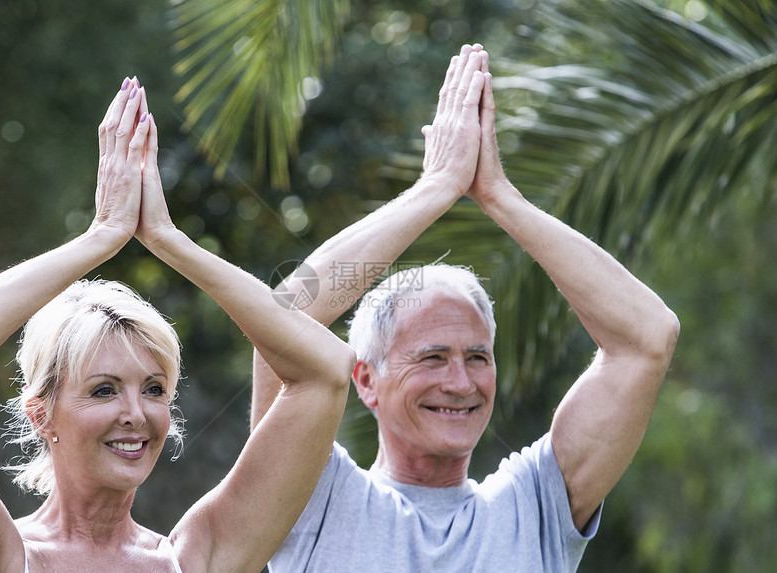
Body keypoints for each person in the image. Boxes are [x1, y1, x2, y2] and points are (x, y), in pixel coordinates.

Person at [252, 44, 680, 571]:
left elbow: (649, 336)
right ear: (365, 379)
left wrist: (499, 195)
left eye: (477, 357)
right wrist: (434, 190)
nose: (461, 382)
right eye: (432, 357)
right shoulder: (310, 499)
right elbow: (285, 310)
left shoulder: (537, 506)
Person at [0, 77, 356, 572]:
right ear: (41, 414)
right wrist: (101, 236)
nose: (136, 413)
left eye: (153, 389)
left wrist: (169, 239)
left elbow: (327, 370)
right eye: (104, 390)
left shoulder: (193, 558)